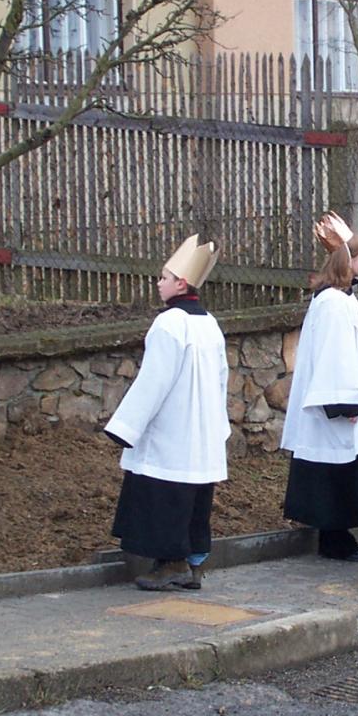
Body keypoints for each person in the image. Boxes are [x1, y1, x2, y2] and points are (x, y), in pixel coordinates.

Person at [105, 234, 230, 591]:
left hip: (172, 432)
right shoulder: (210, 324)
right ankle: (193, 565)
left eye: (164, 277)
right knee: (195, 500)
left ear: (181, 283)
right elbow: (222, 377)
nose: (158, 283)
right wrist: (218, 425)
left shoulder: (168, 324)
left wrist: (126, 427)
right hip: (201, 432)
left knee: (166, 496)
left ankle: (171, 563)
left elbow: (154, 381)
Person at [280, 212, 358, 562]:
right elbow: (335, 356)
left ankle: (337, 537)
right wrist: (344, 403)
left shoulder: (341, 300)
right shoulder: (334, 304)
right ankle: (336, 539)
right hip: (337, 408)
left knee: (345, 469)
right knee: (338, 472)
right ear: (347, 261)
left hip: (345, 403)